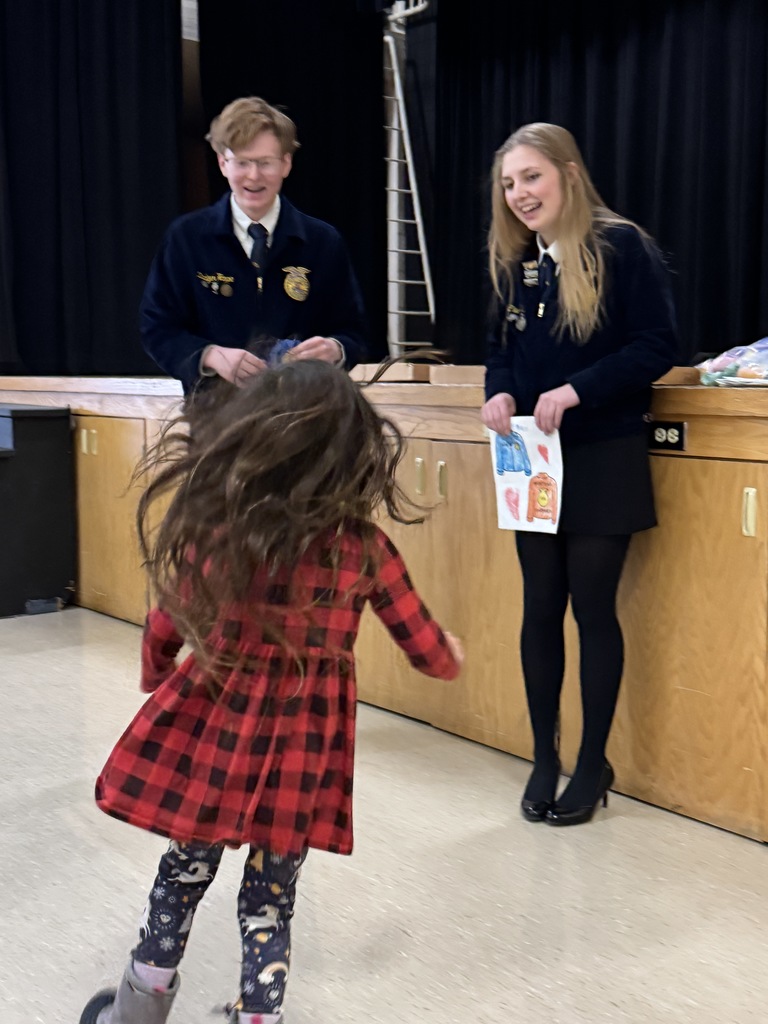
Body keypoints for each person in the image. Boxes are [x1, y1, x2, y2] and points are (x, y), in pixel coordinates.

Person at [79, 361, 464, 1024]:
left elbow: (165, 620)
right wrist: (448, 657)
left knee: (183, 876)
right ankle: (258, 1017)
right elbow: (428, 649)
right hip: (304, 754)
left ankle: (136, 1010)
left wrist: (155, 670)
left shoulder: (223, 536)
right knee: (270, 898)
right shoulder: (365, 549)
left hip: (218, 742)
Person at [480, 123, 678, 827]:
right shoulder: (515, 262)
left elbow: (657, 344)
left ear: (567, 173)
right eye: (509, 183)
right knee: (539, 610)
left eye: (531, 177)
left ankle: (592, 765)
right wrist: (498, 392)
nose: (520, 194)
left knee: (592, 611)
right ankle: (544, 755)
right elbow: (498, 353)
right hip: (532, 461)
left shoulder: (621, 247)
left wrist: (578, 389)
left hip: (601, 453)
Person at [140, 96, 368, 394]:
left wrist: (335, 350)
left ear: (286, 163)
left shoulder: (323, 242)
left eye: (265, 163)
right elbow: (157, 328)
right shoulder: (187, 238)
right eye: (242, 162)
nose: (254, 176)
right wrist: (210, 357)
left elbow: (354, 332)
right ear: (223, 163)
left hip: (304, 417)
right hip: (216, 420)